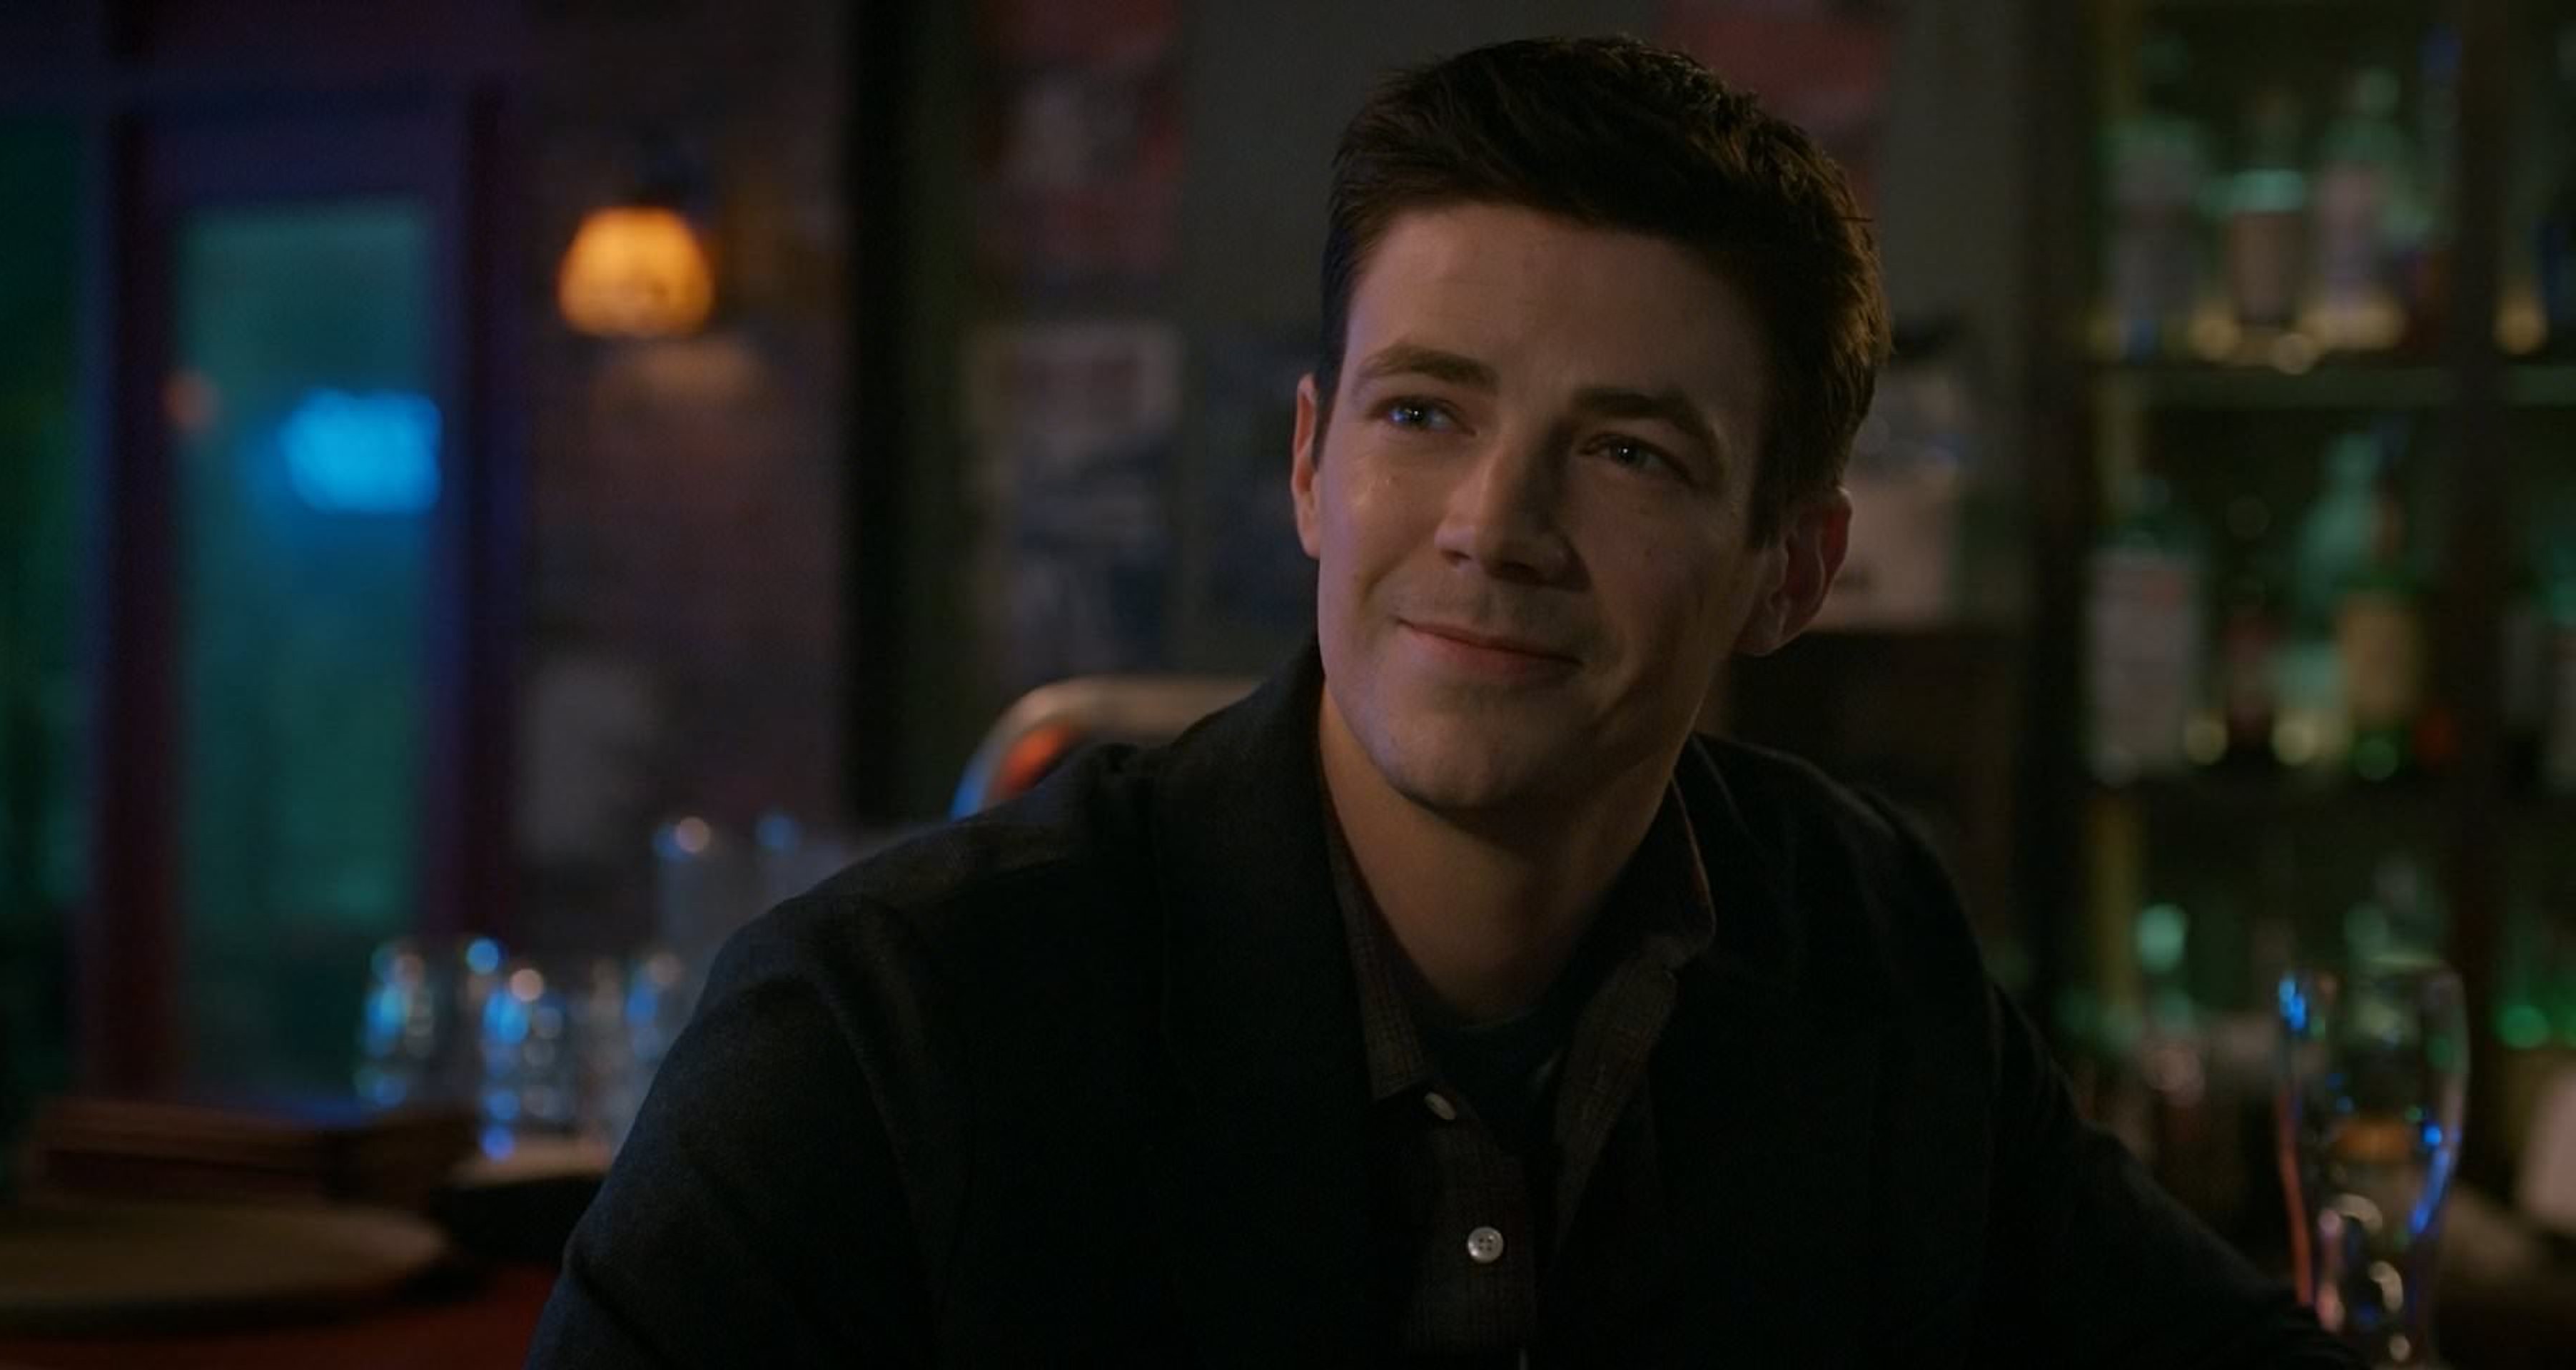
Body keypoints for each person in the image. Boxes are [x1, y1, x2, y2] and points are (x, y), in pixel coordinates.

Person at [530, 36, 2356, 1366]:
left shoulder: (1859, 942)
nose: (1497, 529)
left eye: (1630, 452)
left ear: (1792, 568)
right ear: (1314, 466)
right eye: (1424, 412)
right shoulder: (881, 1036)